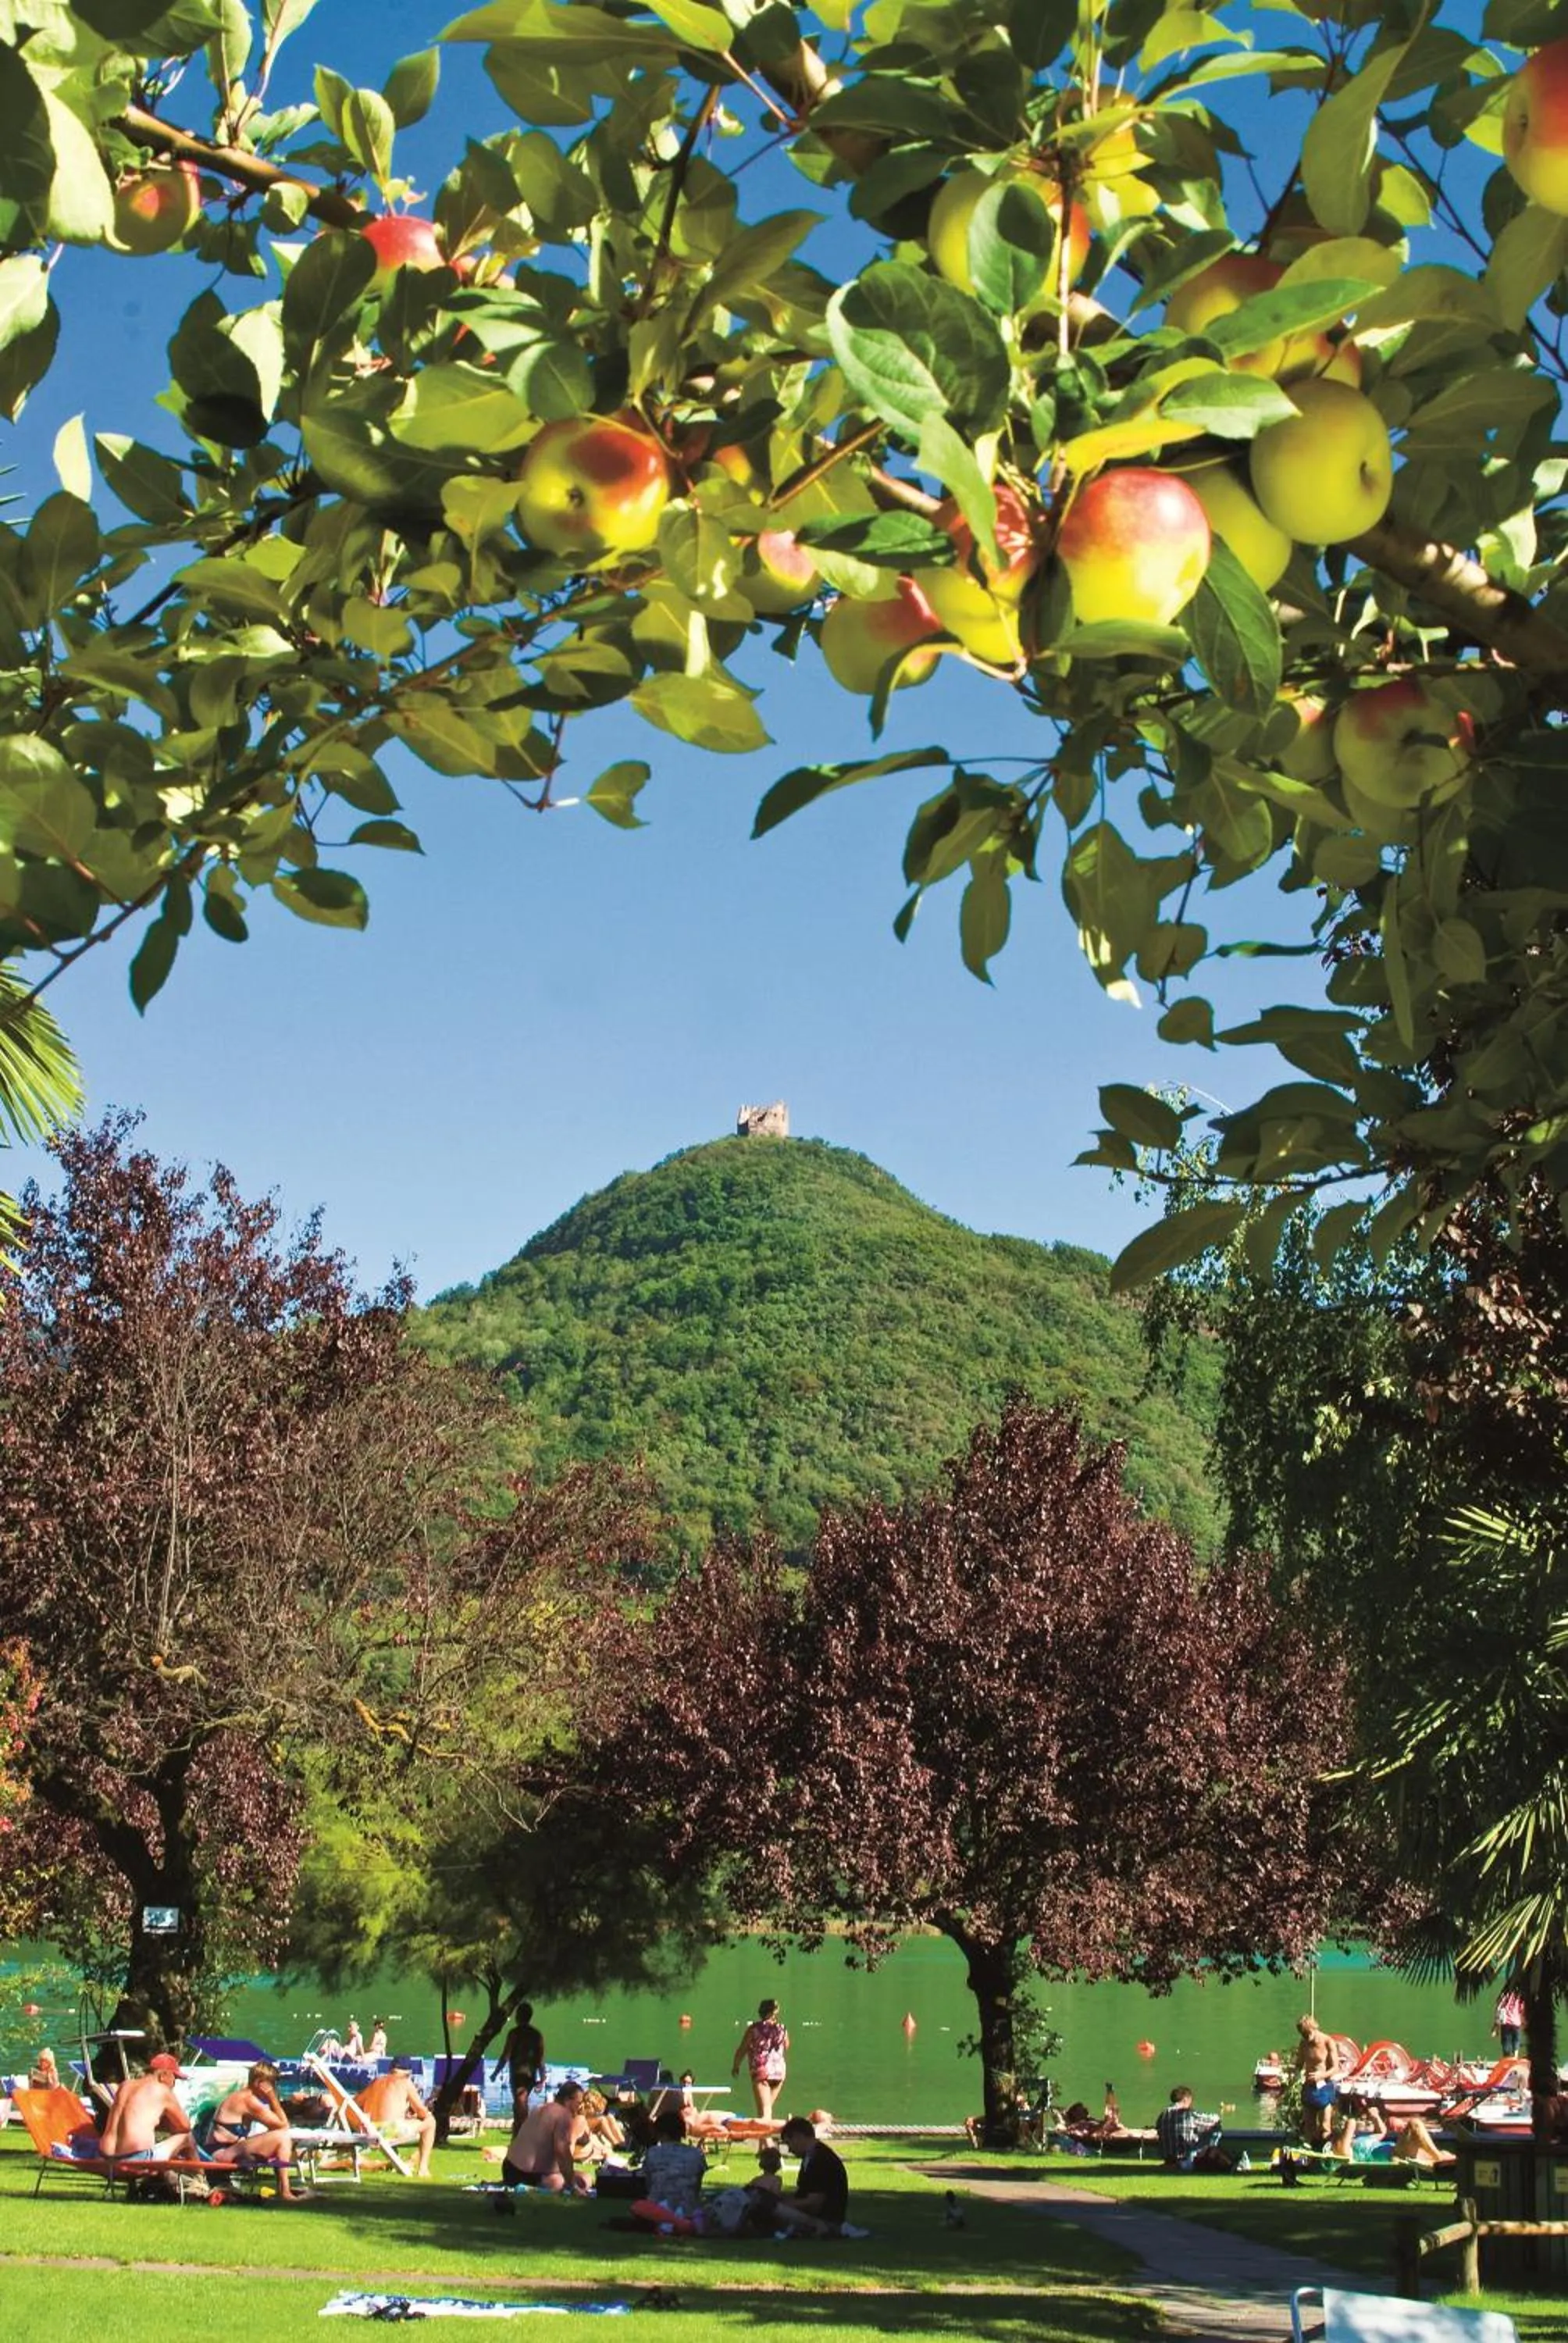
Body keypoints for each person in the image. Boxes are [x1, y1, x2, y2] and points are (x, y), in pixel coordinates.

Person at [205, 2061, 312, 2202]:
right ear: (260, 2083)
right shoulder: (248, 2101)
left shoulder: (244, 2097)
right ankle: (284, 2192)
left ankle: (284, 2190)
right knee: (283, 2137)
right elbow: (283, 2125)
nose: (273, 2088)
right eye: (272, 2084)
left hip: (227, 2151)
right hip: (220, 2154)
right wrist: (272, 2099)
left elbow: (277, 2126)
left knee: (281, 2137)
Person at [775, 2113, 868, 2237]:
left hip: (824, 2218)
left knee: (770, 2208)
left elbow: (814, 2202)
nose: (789, 2150)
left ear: (799, 2137)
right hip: (820, 2215)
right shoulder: (812, 2157)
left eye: (788, 2143)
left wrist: (782, 2204)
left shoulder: (820, 2159)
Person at [98, 2053, 200, 2163]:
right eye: (175, 2078)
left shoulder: (125, 2085)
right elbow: (185, 2127)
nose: (174, 2084)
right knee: (187, 2137)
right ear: (164, 2074)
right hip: (136, 2158)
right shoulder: (162, 2090)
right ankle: (200, 2177)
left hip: (105, 2157)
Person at [501, 2078, 591, 2195]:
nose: (580, 2107)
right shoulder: (563, 2115)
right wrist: (572, 2185)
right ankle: (531, 2189)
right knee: (577, 2181)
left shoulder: (540, 2108)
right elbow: (562, 2152)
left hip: (510, 2168)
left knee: (584, 2178)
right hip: (529, 2174)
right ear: (567, 2100)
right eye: (578, 2103)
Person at [357, 2058, 437, 2178]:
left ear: (391, 2069)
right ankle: (423, 2169)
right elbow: (422, 2112)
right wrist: (419, 2116)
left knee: (399, 2123)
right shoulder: (405, 2082)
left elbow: (356, 2103)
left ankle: (396, 2163)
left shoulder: (376, 2082)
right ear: (408, 2074)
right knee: (431, 2122)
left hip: (371, 2130)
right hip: (389, 2131)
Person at [637, 2106, 708, 2218]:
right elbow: (697, 2185)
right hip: (688, 2210)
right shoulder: (696, 2154)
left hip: (657, 2208)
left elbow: (649, 2184)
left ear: (659, 2132)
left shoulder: (653, 2153)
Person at [733, 1998, 789, 2121]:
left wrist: (736, 2065)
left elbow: (742, 2049)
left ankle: (771, 2136)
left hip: (761, 2071)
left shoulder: (754, 2029)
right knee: (765, 2109)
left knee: (765, 2113)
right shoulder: (782, 2029)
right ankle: (763, 2141)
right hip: (779, 2072)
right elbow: (786, 2046)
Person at [492, 2004, 546, 2130]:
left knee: (520, 2102)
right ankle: (519, 2132)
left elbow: (506, 2055)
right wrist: (543, 2078)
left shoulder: (514, 2033)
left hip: (517, 2074)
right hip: (531, 2075)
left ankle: (522, 2131)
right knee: (521, 2102)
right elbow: (540, 2060)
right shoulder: (537, 2035)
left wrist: (496, 2073)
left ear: (518, 2016)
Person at [1155, 2085, 1228, 2173]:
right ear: (1186, 2099)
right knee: (1216, 2128)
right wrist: (1219, 2116)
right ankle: (1212, 2156)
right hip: (1186, 2159)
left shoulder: (1162, 2115)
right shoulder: (1187, 2115)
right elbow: (1214, 2120)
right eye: (1190, 2101)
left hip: (1168, 2158)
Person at [1293, 2014, 1340, 2145]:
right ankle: (1310, 2151)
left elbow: (1336, 2068)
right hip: (1309, 2087)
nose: (1306, 2037)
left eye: (1308, 2033)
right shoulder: (1304, 2044)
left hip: (1324, 2086)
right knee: (1309, 2125)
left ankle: (1326, 2147)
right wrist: (1296, 2074)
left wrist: (1322, 2075)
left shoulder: (1328, 2042)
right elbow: (1299, 2064)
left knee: (1325, 2125)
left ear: (1314, 2028)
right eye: (1303, 2035)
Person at [1494, 1983, 1526, 2058]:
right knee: (1516, 2041)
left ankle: (1506, 2058)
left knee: (1506, 2042)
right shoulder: (1519, 1997)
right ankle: (1515, 2058)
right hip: (1516, 2022)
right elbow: (1522, 2010)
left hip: (1506, 2022)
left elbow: (1499, 2007)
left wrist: (1496, 2026)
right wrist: (1524, 2022)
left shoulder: (1505, 1996)